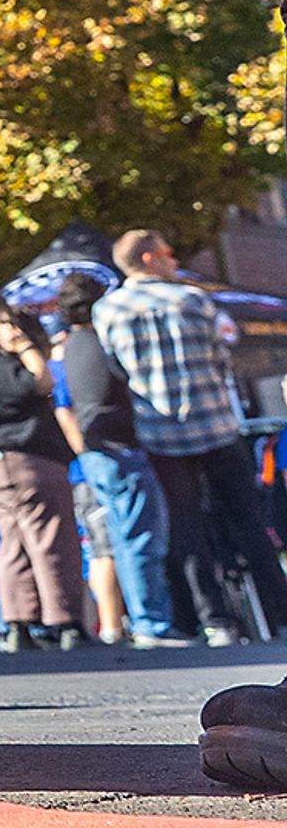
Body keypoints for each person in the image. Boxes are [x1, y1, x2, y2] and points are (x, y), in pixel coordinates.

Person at [99, 227, 287, 639]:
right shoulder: (192, 299)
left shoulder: (108, 310)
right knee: (248, 522)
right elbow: (222, 356)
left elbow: (115, 368)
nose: (175, 260)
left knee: (185, 529)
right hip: (216, 425)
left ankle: (214, 618)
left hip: (160, 433)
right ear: (149, 258)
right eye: (169, 251)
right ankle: (280, 614)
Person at [51, 268, 189, 643]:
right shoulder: (100, 342)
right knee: (140, 539)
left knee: (116, 541)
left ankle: (140, 621)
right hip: (119, 449)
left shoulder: (68, 348)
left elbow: (65, 405)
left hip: (96, 453)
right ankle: (151, 622)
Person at [0, 305, 93, 645]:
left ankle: (18, 623)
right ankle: (67, 623)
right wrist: (27, 348)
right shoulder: (4, 362)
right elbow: (40, 382)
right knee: (51, 539)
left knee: (12, 543)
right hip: (27, 459)